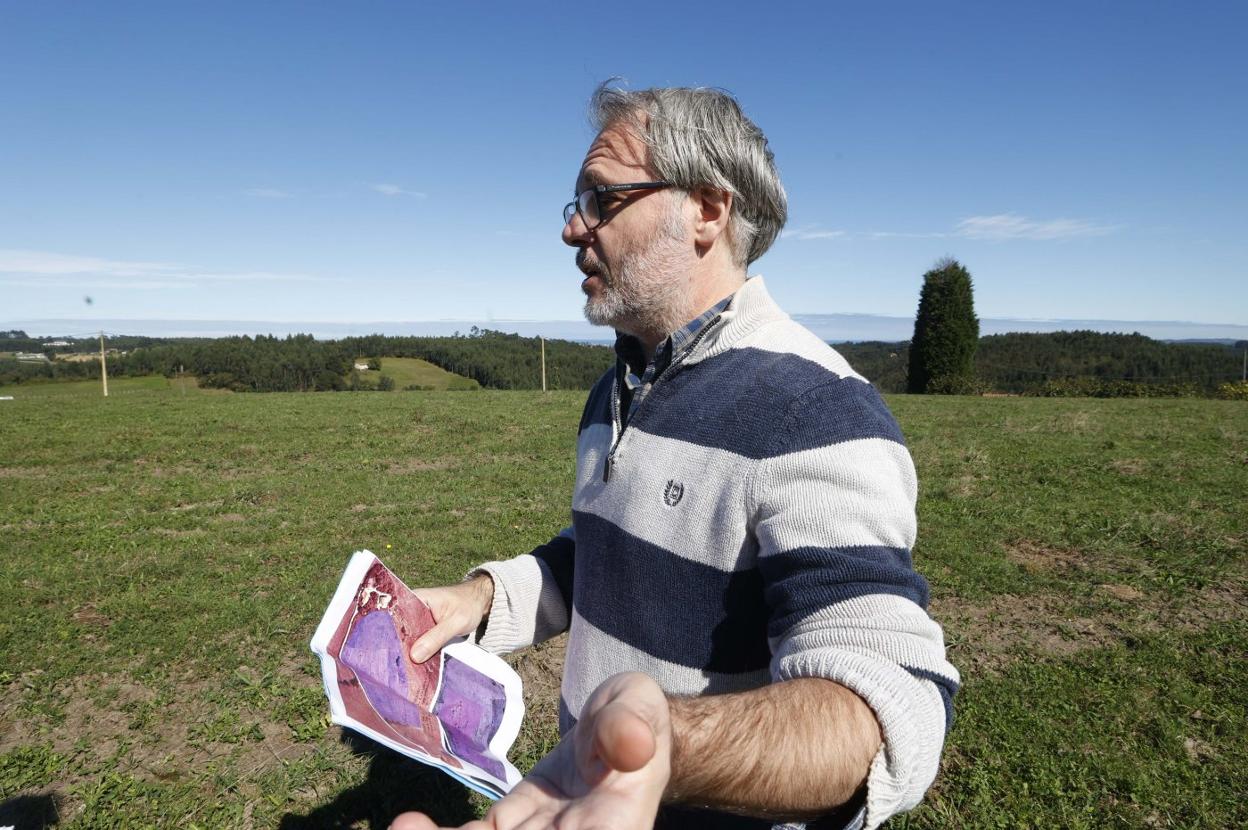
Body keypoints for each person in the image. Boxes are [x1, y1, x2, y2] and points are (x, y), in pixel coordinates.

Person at [391, 84, 959, 830]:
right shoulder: (617, 388)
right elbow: (602, 557)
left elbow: (887, 703)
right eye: (575, 203)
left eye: (602, 198)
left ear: (707, 211)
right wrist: (479, 601)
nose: (573, 231)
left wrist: (663, 748)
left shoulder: (813, 410)